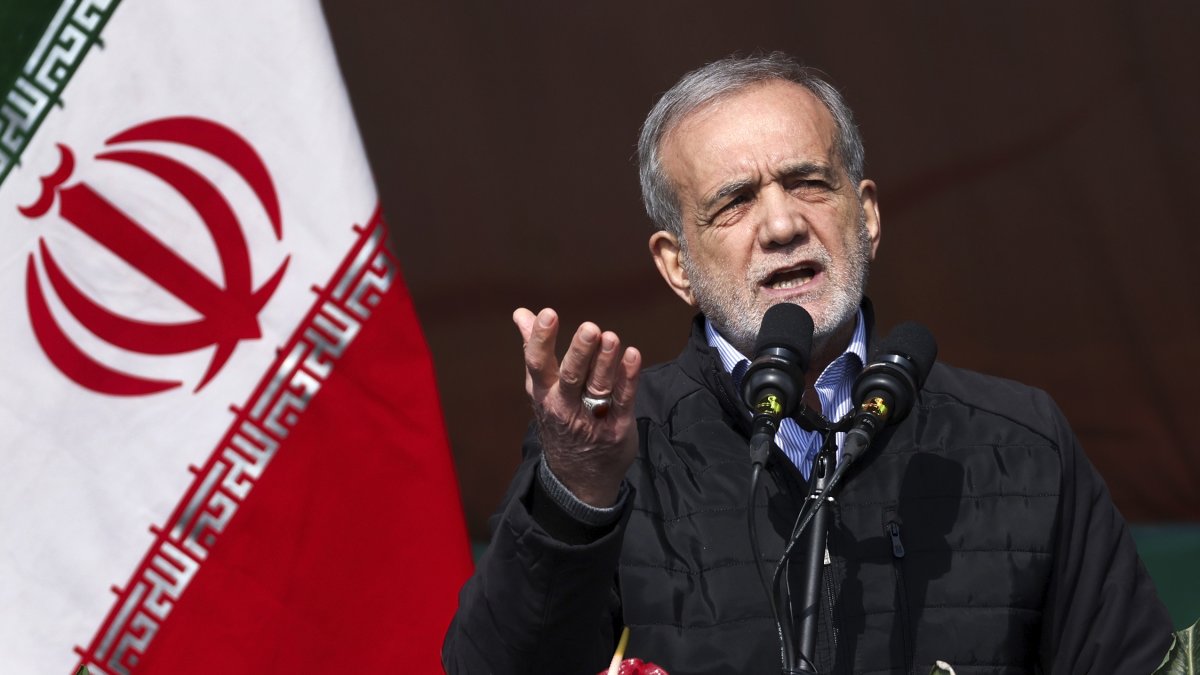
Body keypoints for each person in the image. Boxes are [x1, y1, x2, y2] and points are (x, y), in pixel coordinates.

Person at [442, 53, 1171, 674]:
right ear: (677, 266)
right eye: (734, 202)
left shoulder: (1021, 441)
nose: (784, 224)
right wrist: (575, 500)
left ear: (869, 216)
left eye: (809, 183)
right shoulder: (609, 452)